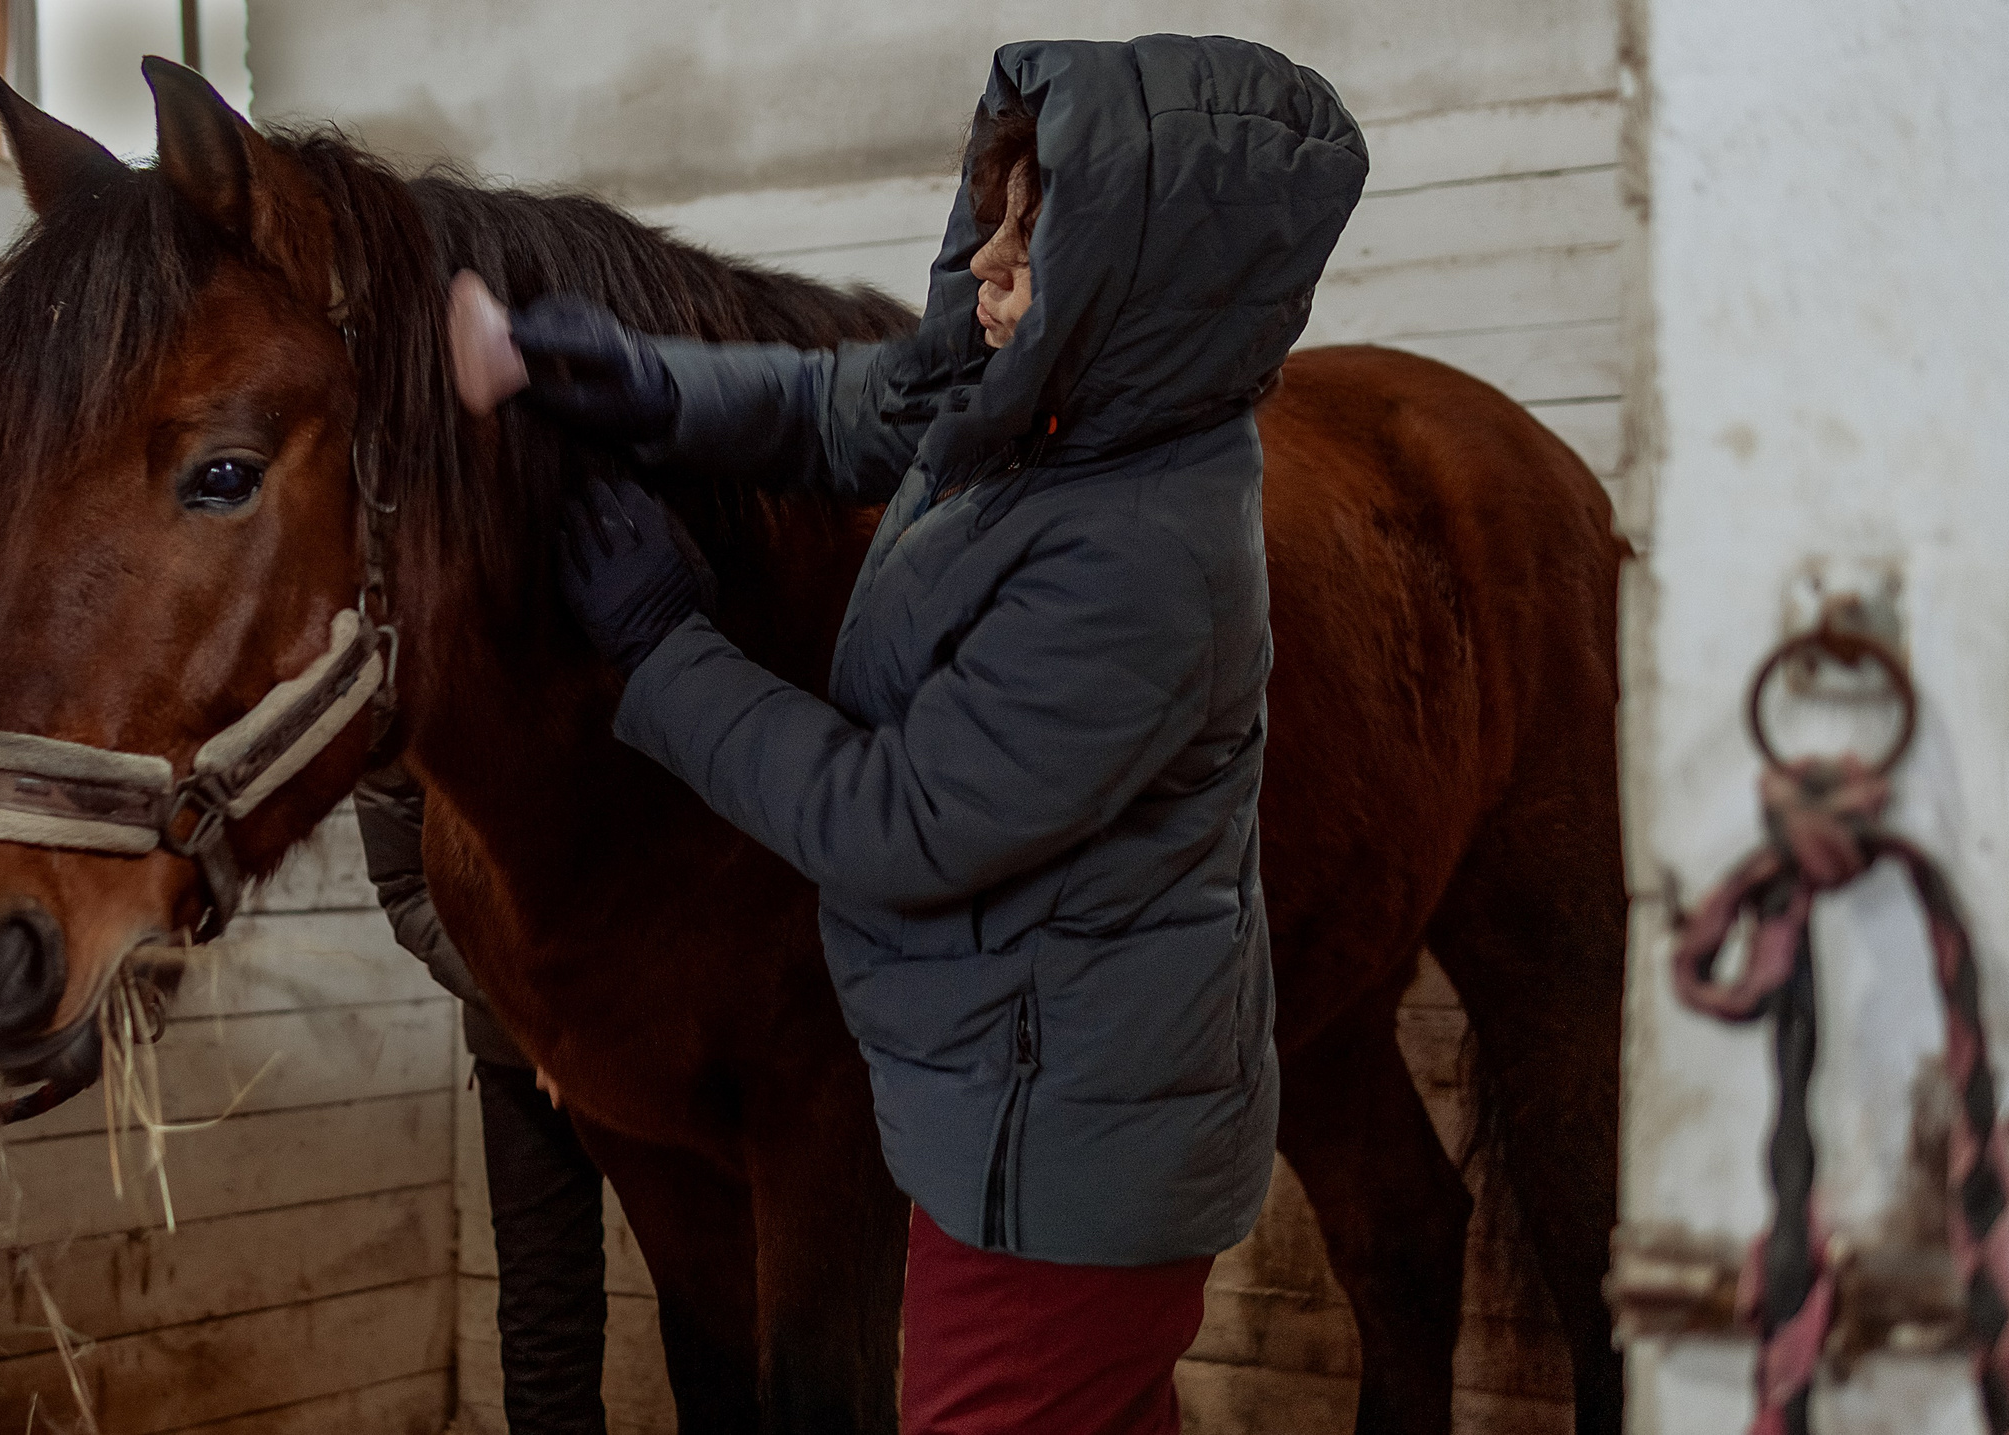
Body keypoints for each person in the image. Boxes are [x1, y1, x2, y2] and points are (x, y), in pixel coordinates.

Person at [496, 34, 1366, 1433]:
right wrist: (654, 388)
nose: (989, 259)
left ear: (1158, 281)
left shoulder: (1139, 553)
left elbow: (894, 822)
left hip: (1064, 1164)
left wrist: (661, 645)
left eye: (1041, 228)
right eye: (999, 210)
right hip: (1027, 1109)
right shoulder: (1049, 410)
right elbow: (851, 404)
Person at [354, 765, 608, 1434]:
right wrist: (533, 1021)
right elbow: (406, 887)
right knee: (543, 1320)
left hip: (651, 1035)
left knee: (705, 1315)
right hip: (517, 1051)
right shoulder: (397, 713)